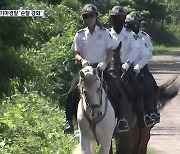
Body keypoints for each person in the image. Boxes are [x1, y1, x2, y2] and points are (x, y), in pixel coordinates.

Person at [64, 4, 113, 134]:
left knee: (116, 90)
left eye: (92, 16)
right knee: (71, 92)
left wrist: (105, 63)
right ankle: (69, 122)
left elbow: (110, 52)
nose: (89, 18)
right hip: (86, 69)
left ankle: (120, 119)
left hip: (100, 68)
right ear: (84, 19)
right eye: (86, 16)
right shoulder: (80, 34)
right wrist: (82, 60)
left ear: (96, 17)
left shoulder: (104, 33)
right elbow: (76, 52)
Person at [109, 6, 154, 128]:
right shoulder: (106, 33)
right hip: (110, 67)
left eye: (121, 18)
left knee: (141, 88)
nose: (131, 26)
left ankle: (144, 116)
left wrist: (130, 65)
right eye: (115, 18)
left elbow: (141, 52)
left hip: (127, 68)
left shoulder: (133, 35)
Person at [125, 11, 160, 124]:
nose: (131, 26)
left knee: (150, 86)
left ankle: (151, 111)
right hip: (124, 67)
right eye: (129, 24)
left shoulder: (144, 37)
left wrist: (138, 67)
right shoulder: (124, 35)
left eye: (134, 24)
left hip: (140, 67)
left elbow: (148, 54)